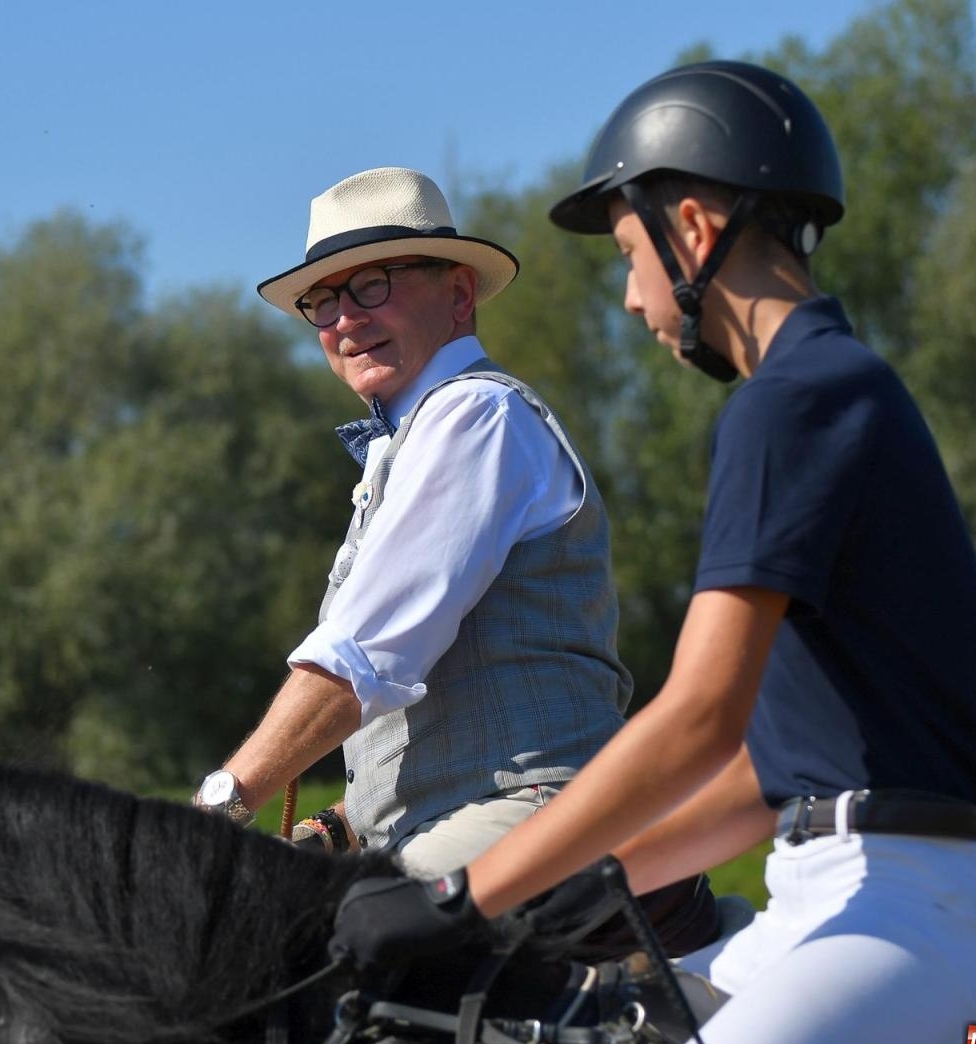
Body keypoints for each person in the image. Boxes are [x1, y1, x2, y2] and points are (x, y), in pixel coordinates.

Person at [329, 63, 976, 1044]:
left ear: (693, 232)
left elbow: (698, 716)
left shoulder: (792, 399)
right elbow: (762, 771)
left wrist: (465, 896)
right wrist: (579, 879)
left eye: (627, 255)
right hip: (823, 891)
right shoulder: (823, 390)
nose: (627, 298)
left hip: (911, 908)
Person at [192, 166, 715, 953]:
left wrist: (221, 805)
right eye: (323, 301)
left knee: (300, 959)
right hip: (456, 825)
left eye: (371, 285)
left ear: (459, 295)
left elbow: (363, 657)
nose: (343, 319)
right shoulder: (410, 445)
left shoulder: (474, 414)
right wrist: (338, 827)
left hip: (539, 815)